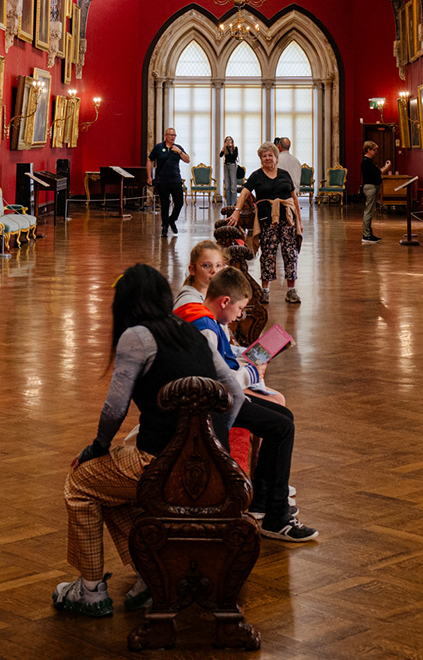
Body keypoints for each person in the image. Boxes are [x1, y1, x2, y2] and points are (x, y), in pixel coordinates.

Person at [56, 264, 245, 618]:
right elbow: (234, 390)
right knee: (108, 485)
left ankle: (91, 591)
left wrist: (95, 448)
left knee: (81, 483)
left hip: (159, 462)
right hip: (210, 466)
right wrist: (215, 444)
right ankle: (150, 574)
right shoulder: (192, 332)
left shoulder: (137, 336)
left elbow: (115, 408)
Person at [190, 266, 315, 542]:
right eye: (239, 309)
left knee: (284, 417)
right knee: (282, 427)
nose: (239, 315)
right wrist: (252, 371)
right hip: (217, 407)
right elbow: (220, 381)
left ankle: (265, 501)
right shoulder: (206, 328)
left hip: (224, 400)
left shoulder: (211, 320)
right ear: (224, 301)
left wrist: (250, 358)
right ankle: (277, 516)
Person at [232, 143, 302, 304]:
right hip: (266, 220)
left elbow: (294, 198)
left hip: (287, 219)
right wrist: (237, 210)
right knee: (268, 254)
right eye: (264, 156)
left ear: (276, 158)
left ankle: (291, 291)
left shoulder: (285, 174)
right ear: (261, 159)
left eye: (270, 155)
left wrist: (299, 219)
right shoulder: (256, 176)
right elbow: (244, 194)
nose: (267, 158)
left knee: (290, 253)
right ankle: (265, 291)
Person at [147, 127, 188, 236]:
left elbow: (187, 160)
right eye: (171, 135)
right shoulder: (159, 147)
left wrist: (179, 152)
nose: (173, 137)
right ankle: (165, 226)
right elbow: (150, 160)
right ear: (166, 136)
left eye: (174, 135)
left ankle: (172, 220)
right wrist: (149, 177)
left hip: (176, 180)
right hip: (162, 180)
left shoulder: (178, 148)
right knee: (165, 205)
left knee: (179, 203)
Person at [173, 240, 227, 321]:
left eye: (218, 265)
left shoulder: (216, 298)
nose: (214, 270)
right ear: (192, 270)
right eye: (206, 265)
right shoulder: (189, 305)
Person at [359, 140, 383, 244]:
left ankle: (369, 233)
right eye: (374, 149)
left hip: (371, 187)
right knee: (368, 211)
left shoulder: (368, 161)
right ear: (368, 150)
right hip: (370, 188)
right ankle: (366, 235)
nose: (376, 151)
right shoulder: (366, 162)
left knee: (370, 211)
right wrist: (386, 167)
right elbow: (377, 173)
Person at [219, 136, 240, 210]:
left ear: (232, 141)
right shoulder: (225, 149)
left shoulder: (235, 148)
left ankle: (234, 204)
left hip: (232, 165)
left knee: (233, 186)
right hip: (226, 166)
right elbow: (220, 155)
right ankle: (228, 204)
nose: (228, 142)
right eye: (227, 141)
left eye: (229, 140)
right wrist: (224, 147)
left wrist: (231, 148)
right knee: (227, 186)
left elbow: (234, 157)